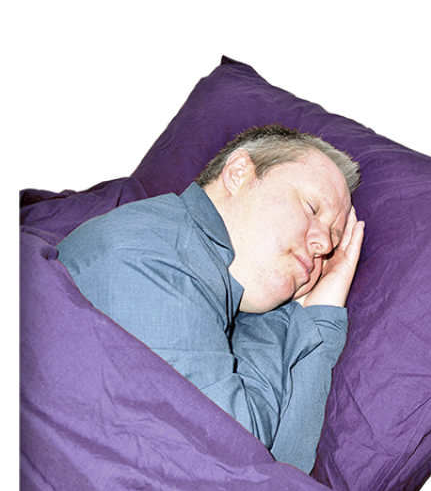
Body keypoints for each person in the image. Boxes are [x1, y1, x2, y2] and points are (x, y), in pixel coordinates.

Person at [56, 124, 365, 473]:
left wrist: (319, 314)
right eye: (311, 208)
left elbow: (288, 469)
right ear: (238, 173)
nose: (324, 245)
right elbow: (238, 465)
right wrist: (284, 317)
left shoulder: (218, 292)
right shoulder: (153, 257)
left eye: (334, 239)